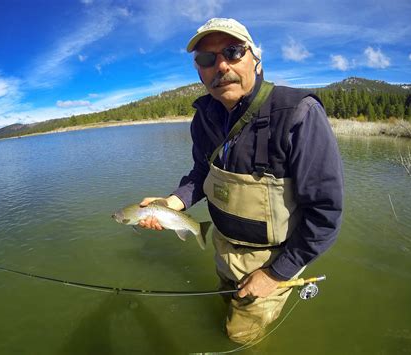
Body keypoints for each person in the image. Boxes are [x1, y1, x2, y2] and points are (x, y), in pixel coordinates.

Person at [139, 17, 343, 344]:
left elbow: (325, 215)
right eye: (207, 59)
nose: (220, 65)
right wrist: (171, 203)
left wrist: (275, 275)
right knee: (228, 302)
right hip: (222, 249)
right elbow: (201, 173)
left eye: (233, 52)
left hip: (274, 260)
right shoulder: (203, 117)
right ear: (199, 71)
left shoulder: (299, 113)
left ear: (256, 60)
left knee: (239, 337)